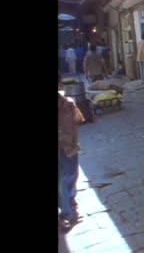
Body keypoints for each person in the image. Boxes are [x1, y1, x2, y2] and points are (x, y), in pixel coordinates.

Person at [59, 85, 85, 230]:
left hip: (69, 146)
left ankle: (70, 202)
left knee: (70, 175)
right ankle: (65, 213)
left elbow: (78, 120)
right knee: (63, 179)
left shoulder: (67, 104)